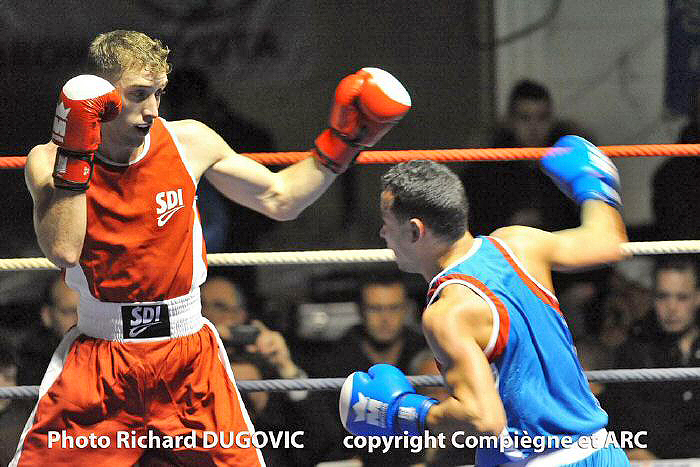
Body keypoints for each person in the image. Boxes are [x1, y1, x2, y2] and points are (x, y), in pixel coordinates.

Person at [15, 29, 411, 466]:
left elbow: (280, 198)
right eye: (138, 94)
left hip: (188, 354)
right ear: (102, 94)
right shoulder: (49, 159)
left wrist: (345, 141)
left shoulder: (189, 142)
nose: (150, 110)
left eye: (158, 94)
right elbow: (64, 251)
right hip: (101, 356)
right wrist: (77, 150)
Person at [339, 135, 631, 465]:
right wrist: (593, 183)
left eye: (387, 223)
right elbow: (607, 241)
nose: (382, 233)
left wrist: (404, 413)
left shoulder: (448, 312)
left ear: (415, 231)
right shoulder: (518, 243)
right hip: (603, 452)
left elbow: (485, 420)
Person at [311, 272, 429, 465]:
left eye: (394, 308)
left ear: (407, 309)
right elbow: (323, 428)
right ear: (360, 310)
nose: (385, 318)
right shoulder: (334, 359)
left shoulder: (426, 352)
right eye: (375, 309)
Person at [605, 255, 700, 460]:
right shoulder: (633, 352)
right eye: (662, 296)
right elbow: (621, 418)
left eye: (681, 297)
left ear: (698, 297)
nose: (671, 308)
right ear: (652, 297)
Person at [16, 275, 78, 385]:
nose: (80, 319)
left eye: (87, 311)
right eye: (69, 312)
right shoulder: (30, 363)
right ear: (47, 316)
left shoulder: (112, 353)